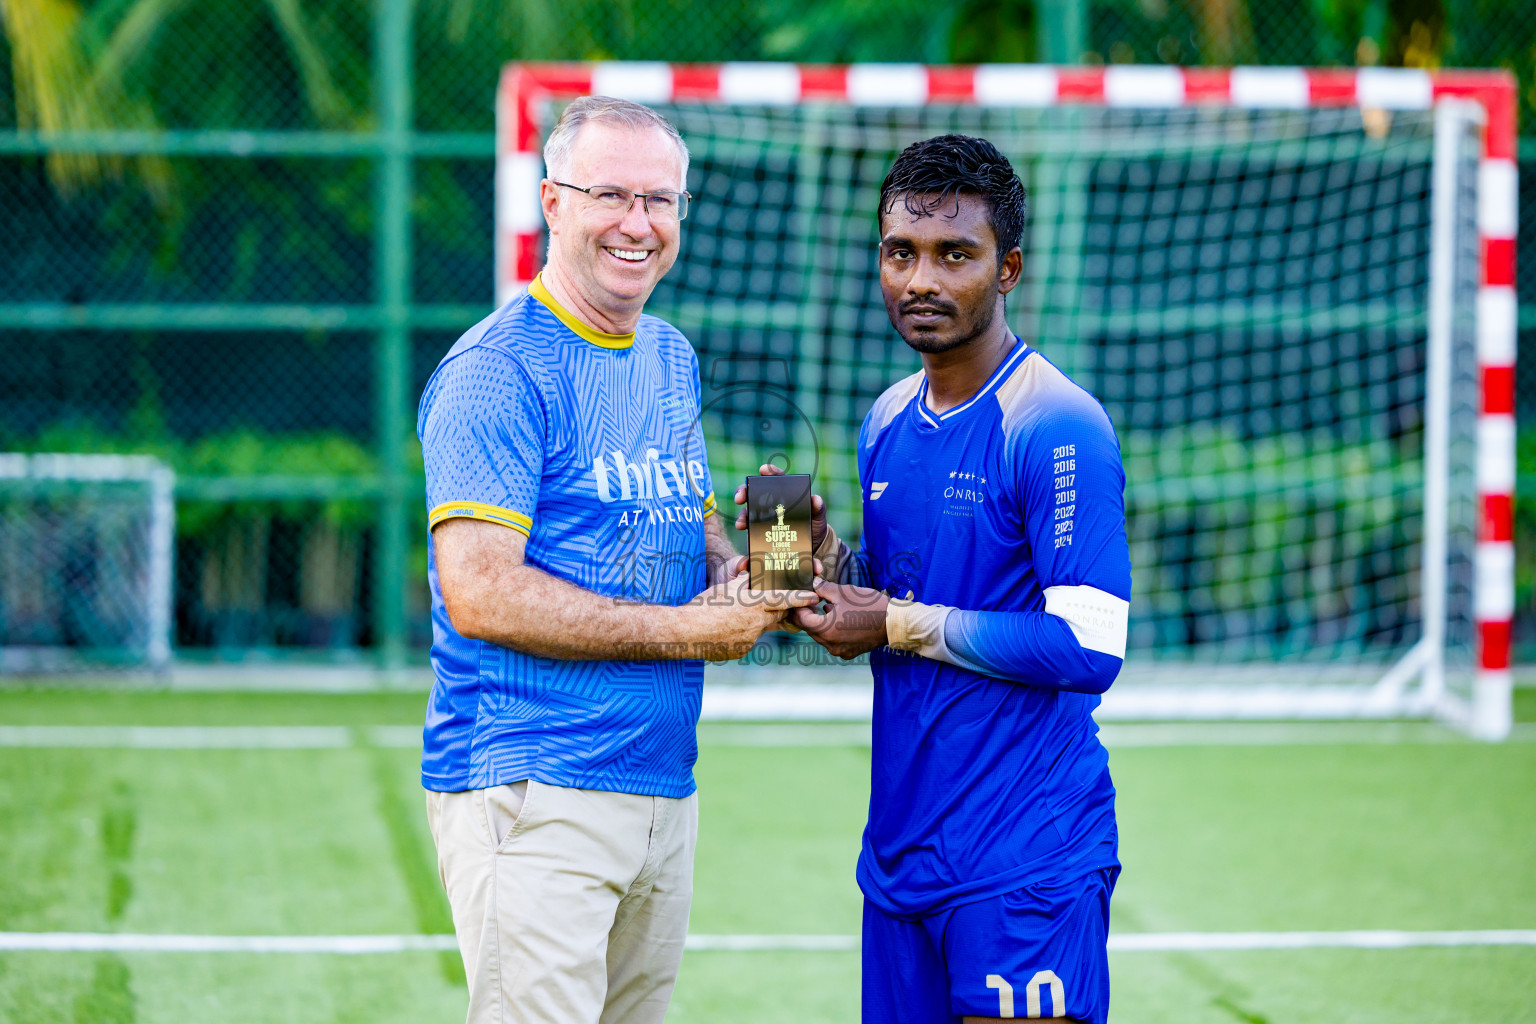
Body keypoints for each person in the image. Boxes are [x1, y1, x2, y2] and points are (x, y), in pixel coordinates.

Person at [417, 96, 814, 1024]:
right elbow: (478, 593)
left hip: (662, 788)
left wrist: (768, 562)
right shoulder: (497, 368)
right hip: (533, 786)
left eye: (662, 201)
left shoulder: (668, 355)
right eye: (611, 195)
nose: (639, 224)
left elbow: (690, 531)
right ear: (551, 202)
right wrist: (692, 632)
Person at [781, 134, 1132, 1024]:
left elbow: (1090, 646)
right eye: (900, 253)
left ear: (1007, 267)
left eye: (955, 255)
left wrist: (895, 623)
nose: (921, 280)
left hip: (1024, 856)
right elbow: (902, 590)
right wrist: (821, 564)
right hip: (901, 857)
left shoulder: (1056, 424)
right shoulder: (887, 417)